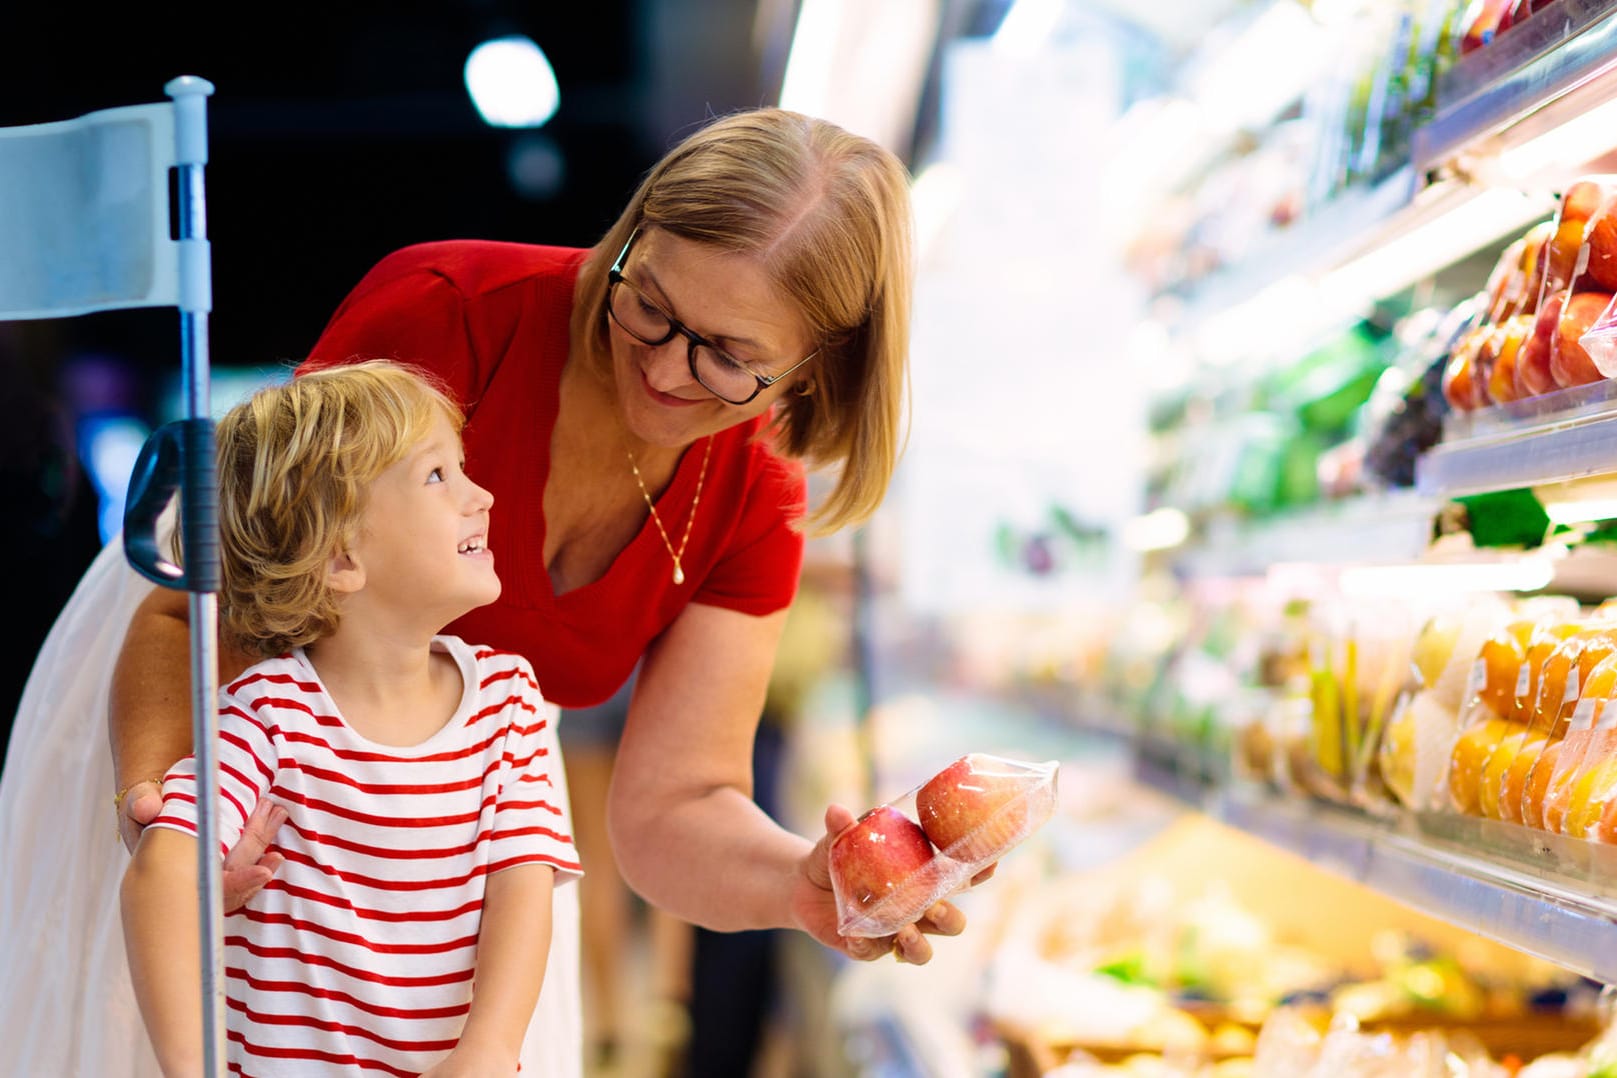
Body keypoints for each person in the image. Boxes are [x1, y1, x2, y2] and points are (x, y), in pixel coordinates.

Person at [0, 106, 973, 1077]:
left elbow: (676, 804)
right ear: (631, 232)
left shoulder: (757, 494)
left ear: (818, 368)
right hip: (199, 714)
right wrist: (167, 811)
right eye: (650, 302)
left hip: (439, 873)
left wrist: (796, 885)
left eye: (728, 357)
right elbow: (194, 613)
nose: (665, 366)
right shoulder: (448, 310)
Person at [120, 360, 581, 1075]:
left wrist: (488, 1049)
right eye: (437, 477)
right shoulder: (265, 714)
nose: (482, 496)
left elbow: (521, 879)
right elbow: (159, 876)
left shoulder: (507, 697)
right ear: (339, 556)